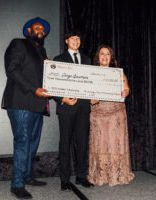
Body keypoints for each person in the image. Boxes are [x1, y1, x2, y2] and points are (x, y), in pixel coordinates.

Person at [1, 17, 51, 199]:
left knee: (33, 142)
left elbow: (46, 79)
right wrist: (33, 89)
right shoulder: (19, 44)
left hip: (38, 104)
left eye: (43, 29)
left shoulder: (43, 52)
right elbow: (11, 70)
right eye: (37, 27)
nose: (41, 30)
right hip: (21, 102)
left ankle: (28, 176)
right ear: (29, 30)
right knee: (23, 141)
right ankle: (17, 184)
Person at [88, 45, 135, 186]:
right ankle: (101, 175)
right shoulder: (92, 73)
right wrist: (91, 99)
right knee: (100, 144)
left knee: (116, 144)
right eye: (102, 54)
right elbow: (87, 93)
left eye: (108, 54)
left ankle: (117, 175)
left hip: (116, 113)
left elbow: (126, 89)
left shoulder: (117, 73)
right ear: (98, 57)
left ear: (111, 57)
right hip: (98, 113)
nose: (105, 57)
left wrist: (124, 93)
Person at [53, 30, 93, 190]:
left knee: (82, 144)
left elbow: (92, 83)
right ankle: (64, 179)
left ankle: (81, 176)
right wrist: (62, 99)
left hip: (83, 108)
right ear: (66, 41)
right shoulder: (58, 59)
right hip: (66, 109)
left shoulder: (87, 60)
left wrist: (93, 96)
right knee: (65, 144)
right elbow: (52, 84)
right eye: (72, 38)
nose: (76, 40)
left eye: (78, 38)